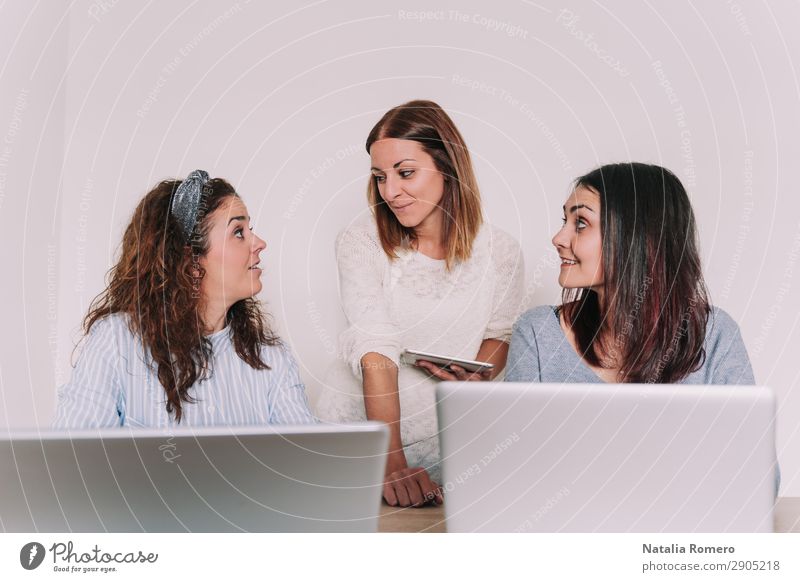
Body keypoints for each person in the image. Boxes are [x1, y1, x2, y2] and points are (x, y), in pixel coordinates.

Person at [315, 100, 526, 507]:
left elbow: (499, 336)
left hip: (448, 442)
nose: (390, 192)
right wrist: (389, 460)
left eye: (405, 173)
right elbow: (376, 349)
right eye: (380, 177)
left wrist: (474, 379)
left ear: (447, 166)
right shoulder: (361, 242)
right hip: (368, 442)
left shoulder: (502, 252)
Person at [53, 170, 316, 428]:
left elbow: (306, 463)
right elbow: (74, 459)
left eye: (250, 229)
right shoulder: (116, 343)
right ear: (190, 262)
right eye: (238, 232)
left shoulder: (272, 358)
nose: (260, 243)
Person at [507, 162, 754, 385]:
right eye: (565, 221)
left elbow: (746, 435)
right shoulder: (537, 333)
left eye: (581, 223)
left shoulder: (715, 335)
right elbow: (515, 433)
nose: (558, 238)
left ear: (637, 237)